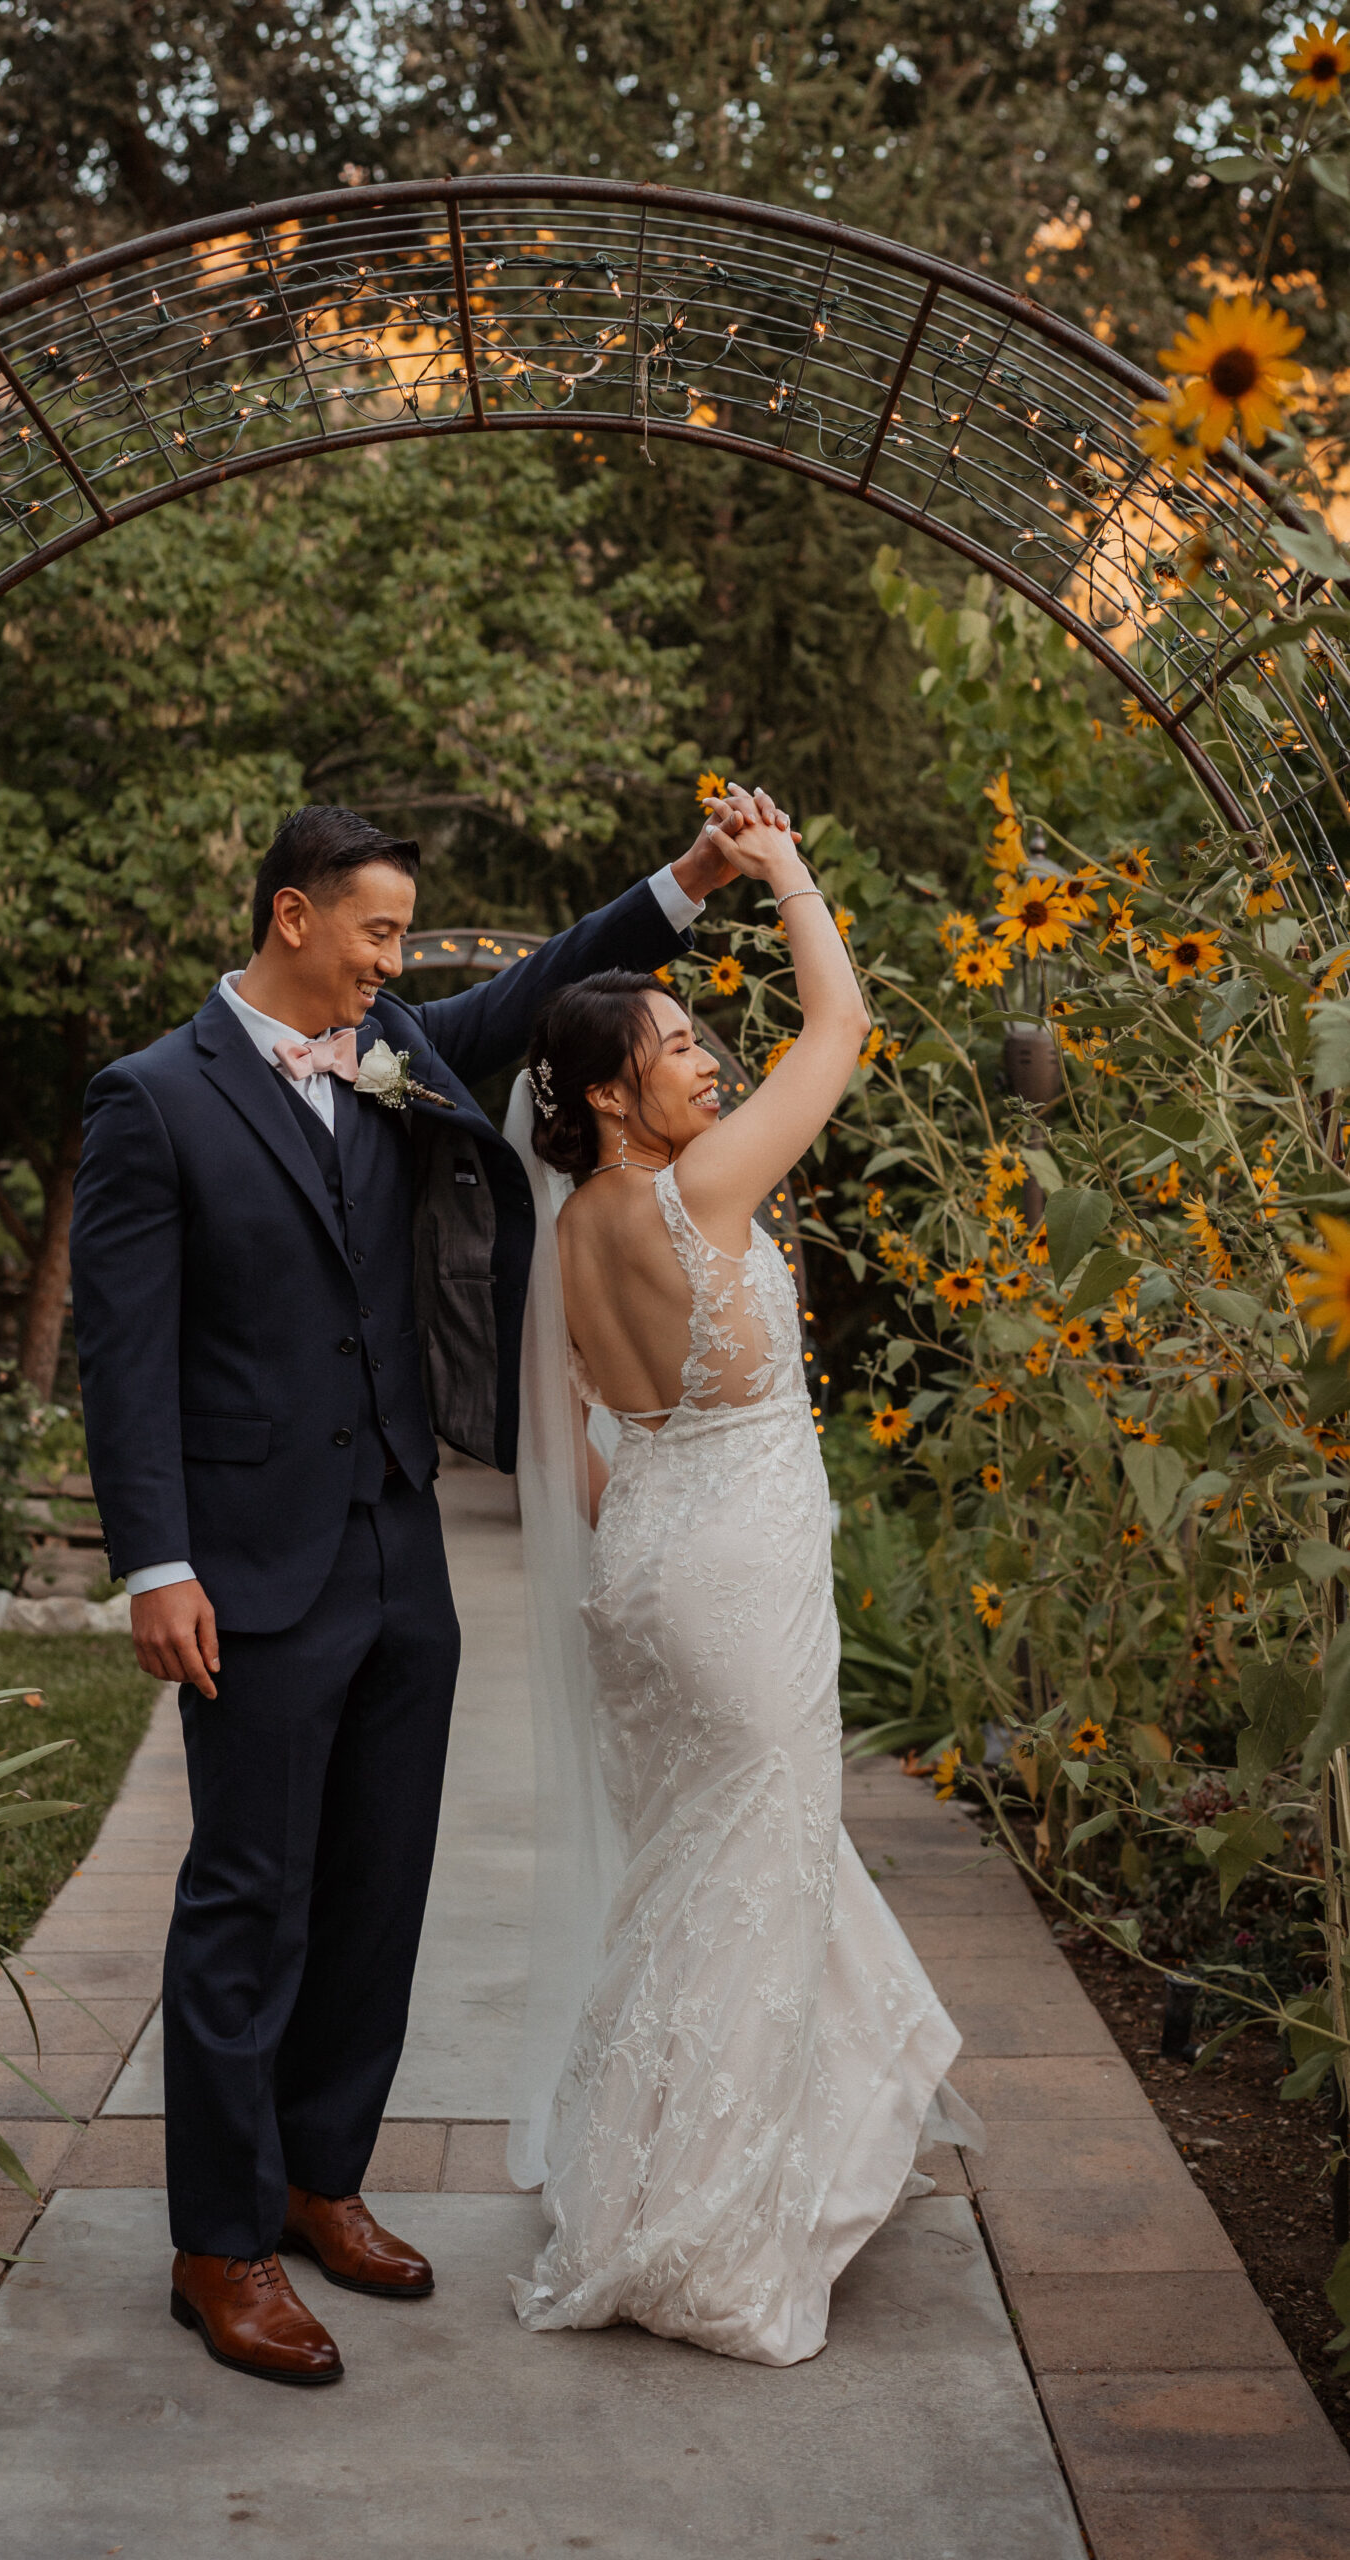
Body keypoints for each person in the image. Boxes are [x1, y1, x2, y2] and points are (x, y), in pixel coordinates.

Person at [69, 800, 738, 2386]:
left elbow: (555, 975)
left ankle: (321, 2181)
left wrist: (691, 882)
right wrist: (156, 1562)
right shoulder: (152, 1101)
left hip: (395, 1549)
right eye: (374, 929)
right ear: (291, 916)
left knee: (377, 1887)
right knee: (250, 1899)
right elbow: (125, 1354)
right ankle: (219, 2248)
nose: (393, 959)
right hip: (245, 1567)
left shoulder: (398, 1049)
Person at [507, 782, 981, 2368]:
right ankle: (704, 2234)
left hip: (650, 1568)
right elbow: (839, 1034)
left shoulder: (571, 1228)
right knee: (754, 1871)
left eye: (708, 1040)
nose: (707, 1057)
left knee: (692, 1873)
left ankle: (645, 2173)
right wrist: (784, 873)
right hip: (735, 1564)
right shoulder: (695, 1192)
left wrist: (644, 1545)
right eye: (677, 1043)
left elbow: (583, 1441)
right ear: (605, 1088)